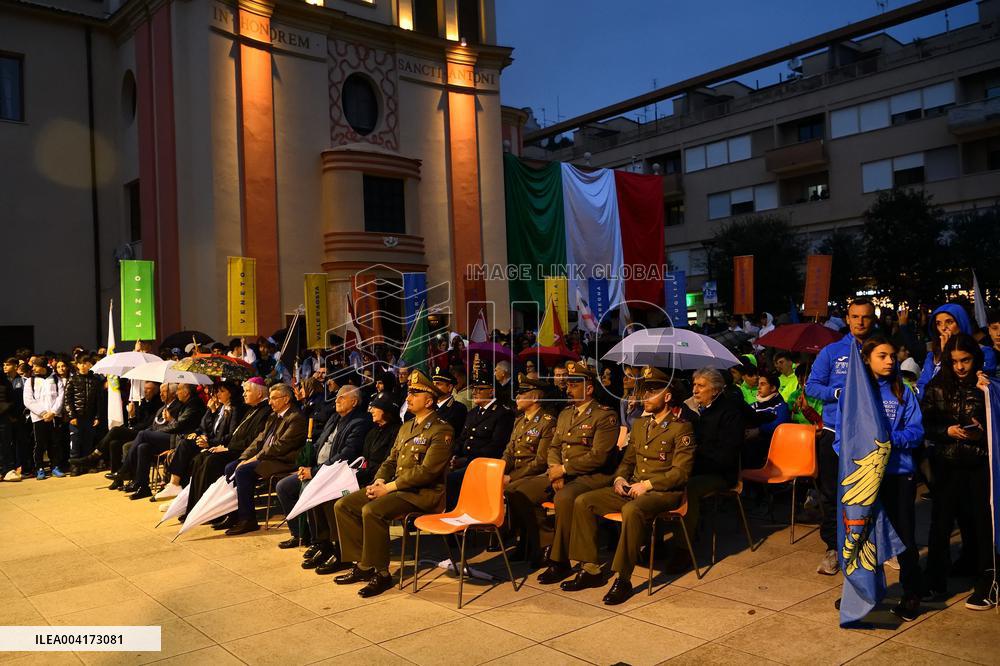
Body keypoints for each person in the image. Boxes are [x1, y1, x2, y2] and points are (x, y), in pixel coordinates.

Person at [564, 369, 695, 605]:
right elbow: (627, 460)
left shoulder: (681, 428)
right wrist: (619, 479)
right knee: (584, 501)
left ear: (667, 397)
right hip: (634, 488)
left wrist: (647, 484)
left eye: (653, 391)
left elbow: (681, 473)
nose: (646, 396)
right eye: (645, 390)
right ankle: (591, 569)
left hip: (663, 492)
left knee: (632, 511)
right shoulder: (640, 424)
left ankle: (623, 579)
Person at [333, 369, 454, 598]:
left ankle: (382, 573)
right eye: (409, 393)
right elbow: (391, 459)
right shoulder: (406, 426)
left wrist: (388, 488)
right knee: (344, 505)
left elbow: (427, 472)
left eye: (414, 394)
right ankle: (364, 564)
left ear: (428, 400)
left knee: (372, 511)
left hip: (422, 494)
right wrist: (380, 479)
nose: (408, 398)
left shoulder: (442, 429)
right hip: (396, 488)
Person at [511, 361, 619, 585]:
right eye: (567, 384)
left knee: (565, 497)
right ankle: (546, 541)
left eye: (573, 385)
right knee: (517, 491)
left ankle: (561, 562)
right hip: (562, 473)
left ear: (589, 388)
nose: (567, 389)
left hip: (592, 476)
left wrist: (564, 469)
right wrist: (555, 469)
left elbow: (599, 456)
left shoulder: (605, 416)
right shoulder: (565, 414)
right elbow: (553, 447)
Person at [921, 334, 997, 610]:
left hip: (979, 465)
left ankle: (988, 582)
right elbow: (924, 425)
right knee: (940, 525)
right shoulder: (936, 387)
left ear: (975, 358)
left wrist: (982, 433)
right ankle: (934, 580)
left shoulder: (987, 385)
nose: (960, 367)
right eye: (954, 362)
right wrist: (946, 431)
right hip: (946, 464)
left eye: (965, 360)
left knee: (982, 523)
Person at [806, 297, 876, 576]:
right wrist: (836, 394)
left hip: (870, 435)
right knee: (831, 493)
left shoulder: (880, 351)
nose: (860, 322)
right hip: (835, 432)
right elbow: (812, 387)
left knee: (868, 494)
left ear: (873, 319)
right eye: (855, 316)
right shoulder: (832, 352)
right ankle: (834, 548)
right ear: (847, 318)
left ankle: (870, 545)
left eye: (866, 317)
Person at [856, 335, 925, 621]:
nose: (889, 361)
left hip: (898, 474)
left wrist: (888, 439)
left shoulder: (903, 391)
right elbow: (843, 432)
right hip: (866, 475)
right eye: (882, 356)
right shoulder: (858, 392)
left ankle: (911, 594)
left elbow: (917, 432)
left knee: (904, 537)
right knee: (865, 538)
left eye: (891, 356)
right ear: (867, 360)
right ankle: (864, 593)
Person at [665, 367, 744, 573]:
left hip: (720, 475)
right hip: (699, 468)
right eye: (694, 385)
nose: (695, 390)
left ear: (716, 390)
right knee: (666, 478)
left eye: (701, 386)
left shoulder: (730, 413)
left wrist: (693, 462)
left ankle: (684, 550)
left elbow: (726, 455)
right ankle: (655, 540)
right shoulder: (700, 412)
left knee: (688, 486)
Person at [286, 385, 371, 570]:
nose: (336, 400)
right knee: (285, 486)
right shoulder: (334, 418)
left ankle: (340, 552)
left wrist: (315, 471)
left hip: (339, 474)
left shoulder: (360, 421)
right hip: (319, 470)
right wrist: (307, 464)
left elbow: (347, 453)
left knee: (320, 495)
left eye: (341, 397)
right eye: (337, 397)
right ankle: (320, 543)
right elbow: (318, 443)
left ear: (354, 402)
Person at [219, 383, 306, 535]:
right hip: (268, 458)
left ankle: (248, 519)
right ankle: (234, 514)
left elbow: (280, 446)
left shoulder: (296, 418)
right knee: (232, 467)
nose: (270, 402)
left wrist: (254, 458)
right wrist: (244, 457)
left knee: (243, 471)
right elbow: (259, 440)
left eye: (274, 398)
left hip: (283, 461)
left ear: (286, 399)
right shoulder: (273, 416)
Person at [186, 379, 271, 512]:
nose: (244, 394)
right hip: (235, 447)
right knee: (199, 459)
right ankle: (195, 507)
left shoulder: (266, 410)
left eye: (247, 391)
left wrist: (227, 448)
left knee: (211, 460)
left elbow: (254, 439)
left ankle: (213, 510)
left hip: (243, 451)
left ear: (259, 393)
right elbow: (237, 434)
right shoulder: (251, 409)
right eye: (244, 391)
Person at [155, 382, 244, 500]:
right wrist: (201, 433)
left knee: (188, 448)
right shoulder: (221, 408)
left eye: (222, 391)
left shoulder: (234, 409)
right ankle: (179, 491)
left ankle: (176, 485)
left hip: (220, 446)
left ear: (231, 393)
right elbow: (206, 427)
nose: (217, 394)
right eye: (217, 391)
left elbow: (231, 435)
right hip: (209, 440)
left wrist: (209, 442)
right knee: (187, 444)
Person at [501, 377, 556, 565]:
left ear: (534, 398)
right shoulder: (519, 421)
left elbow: (541, 461)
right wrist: (500, 470)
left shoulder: (547, 422)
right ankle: (525, 540)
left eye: (521, 393)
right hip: (519, 473)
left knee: (515, 490)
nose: (517, 396)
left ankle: (544, 543)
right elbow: (509, 450)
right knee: (510, 489)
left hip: (537, 474)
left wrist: (511, 477)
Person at [445, 361, 515, 509]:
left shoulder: (503, 413)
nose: (475, 392)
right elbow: (462, 438)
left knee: (452, 479)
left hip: (486, 464)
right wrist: (454, 455)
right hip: (464, 462)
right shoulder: (472, 413)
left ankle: (455, 524)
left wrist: (466, 460)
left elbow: (496, 446)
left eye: (479, 389)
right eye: (474, 389)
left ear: (491, 391)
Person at [916, 303, 997, 396]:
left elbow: (981, 385)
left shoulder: (985, 352)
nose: (943, 328)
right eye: (938, 323)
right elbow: (922, 388)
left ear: (961, 323)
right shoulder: (933, 356)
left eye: (949, 322)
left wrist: (947, 356)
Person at [86, 381, 161, 476]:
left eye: (148, 389)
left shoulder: (158, 404)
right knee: (114, 443)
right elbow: (136, 422)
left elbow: (149, 424)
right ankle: (117, 478)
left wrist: (133, 428)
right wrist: (132, 414)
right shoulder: (144, 402)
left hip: (146, 434)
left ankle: (95, 455)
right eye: (144, 388)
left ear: (155, 391)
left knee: (115, 430)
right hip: (137, 431)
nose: (145, 391)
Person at [23, 359, 65, 479]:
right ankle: (39, 468)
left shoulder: (56, 379)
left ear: (43, 366)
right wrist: (43, 413)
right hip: (38, 417)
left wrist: (53, 412)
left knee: (55, 443)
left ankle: (55, 466)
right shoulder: (30, 381)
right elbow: (28, 400)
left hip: (54, 417)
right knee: (39, 444)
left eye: (36, 366)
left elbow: (60, 397)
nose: (33, 369)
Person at [743, 370, 790, 469]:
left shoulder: (781, 406)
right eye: (758, 384)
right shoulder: (753, 406)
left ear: (773, 388)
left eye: (763, 384)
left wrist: (759, 430)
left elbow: (779, 426)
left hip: (772, 448)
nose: (758, 387)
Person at [63, 354, 103, 461]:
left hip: (90, 417)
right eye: (81, 363)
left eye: (86, 363)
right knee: (75, 441)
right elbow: (67, 399)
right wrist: (72, 416)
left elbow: (99, 400)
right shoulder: (72, 379)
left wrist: (97, 416)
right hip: (76, 417)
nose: (83, 366)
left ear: (90, 365)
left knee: (88, 442)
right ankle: (75, 465)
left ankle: (86, 464)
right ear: (77, 365)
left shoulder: (95, 380)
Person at [430, 366, 468, 437]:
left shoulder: (458, 409)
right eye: (433, 384)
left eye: (438, 384)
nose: (434, 387)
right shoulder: (429, 406)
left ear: (450, 387)